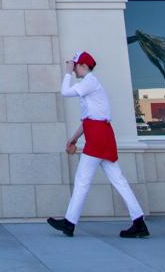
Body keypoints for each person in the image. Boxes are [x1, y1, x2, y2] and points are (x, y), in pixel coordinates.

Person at [47, 51, 149, 239]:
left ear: (83, 66)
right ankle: (139, 222)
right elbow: (89, 118)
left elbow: (64, 92)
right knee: (118, 180)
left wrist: (67, 72)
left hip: (98, 137)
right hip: (100, 134)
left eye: (76, 65)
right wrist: (74, 138)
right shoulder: (90, 85)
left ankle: (69, 223)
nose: (74, 68)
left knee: (82, 180)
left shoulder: (89, 81)